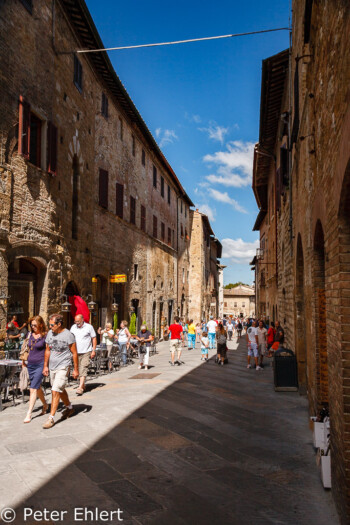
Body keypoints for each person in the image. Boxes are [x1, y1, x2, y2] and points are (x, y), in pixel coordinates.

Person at [42, 314, 79, 429]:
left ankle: (51, 418)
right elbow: (47, 350)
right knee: (59, 389)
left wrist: (76, 369)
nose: (50, 327)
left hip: (64, 366)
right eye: (49, 324)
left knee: (55, 390)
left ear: (59, 324)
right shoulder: (50, 334)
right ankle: (69, 408)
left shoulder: (68, 335)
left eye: (52, 325)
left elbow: (74, 353)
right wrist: (45, 366)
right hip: (53, 366)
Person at [22, 316, 48, 423]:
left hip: (40, 364)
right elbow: (26, 348)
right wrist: (23, 361)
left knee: (32, 388)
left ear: (41, 324)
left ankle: (29, 413)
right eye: (31, 325)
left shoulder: (45, 336)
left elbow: (48, 351)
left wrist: (46, 365)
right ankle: (45, 405)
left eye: (35, 325)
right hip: (30, 365)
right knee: (37, 388)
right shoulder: (29, 334)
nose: (33, 327)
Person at [70, 314, 97, 395]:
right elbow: (70, 338)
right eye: (75, 321)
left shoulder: (89, 327)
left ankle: (80, 387)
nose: (76, 323)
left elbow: (94, 338)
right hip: (75, 352)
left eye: (78, 321)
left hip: (86, 351)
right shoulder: (73, 327)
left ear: (82, 320)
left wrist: (93, 350)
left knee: (83, 367)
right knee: (77, 368)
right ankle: (83, 385)